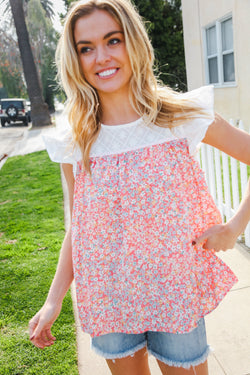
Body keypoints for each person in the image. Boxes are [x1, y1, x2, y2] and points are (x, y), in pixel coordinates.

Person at [29, 1, 250, 374]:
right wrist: (54, 300)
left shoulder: (182, 117)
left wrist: (235, 227)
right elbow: (79, 226)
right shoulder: (76, 139)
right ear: (75, 58)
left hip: (174, 289)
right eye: (86, 48)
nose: (101, 57)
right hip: (110, 293)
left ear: (134, 43)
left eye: (112, 40)